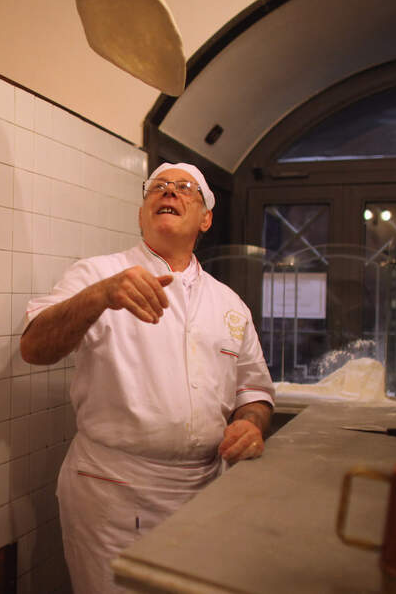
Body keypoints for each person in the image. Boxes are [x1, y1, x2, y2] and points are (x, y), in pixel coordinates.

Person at [21, 162, 275, 593]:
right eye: (158, 187)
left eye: (185, 188)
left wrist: (251, 424)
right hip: (114, 492)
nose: (169, 191)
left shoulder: (229, 303)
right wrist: (101, 295)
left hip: (205, 488)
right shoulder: (97, 274)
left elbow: (253, 391)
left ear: (206, 218)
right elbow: (34, 347)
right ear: (142, 213)